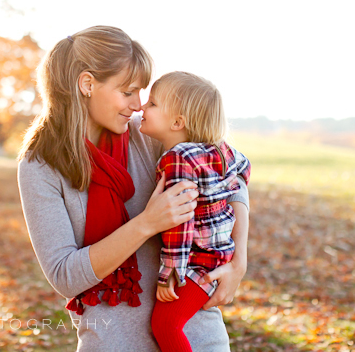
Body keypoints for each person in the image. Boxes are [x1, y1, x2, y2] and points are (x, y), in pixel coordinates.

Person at [16, 26, 250, 351]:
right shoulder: (39, 166)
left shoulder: (149, 133)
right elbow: (64, 275)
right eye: (128, 92)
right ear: (87, 84)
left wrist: (239, 260)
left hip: (197, 338)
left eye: (141, 93)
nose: (139, 105)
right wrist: (146, 224)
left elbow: (228, 172)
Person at [139, 71, 251, 352]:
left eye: (152, 104)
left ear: (177, 122)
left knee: (166, 324)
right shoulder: (218, 150)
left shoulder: (177, 159)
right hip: (219, 256)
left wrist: (170, 274)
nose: (142, 107)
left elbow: (180, 220)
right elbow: (244, 167)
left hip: (199, 265)